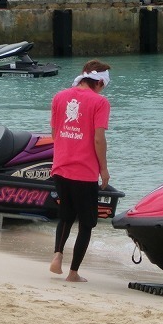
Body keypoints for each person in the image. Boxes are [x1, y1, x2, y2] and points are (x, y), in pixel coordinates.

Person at [49, 60, 112, 283]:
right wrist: (103, 169)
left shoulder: (59, 97)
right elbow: (98, 138)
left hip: (61, 166)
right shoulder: (100, 102)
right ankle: (73, 272)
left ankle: (57, 255)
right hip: (84, 171)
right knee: (87, 222)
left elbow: (55, 132)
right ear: (100, 82)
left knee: (66, 215)